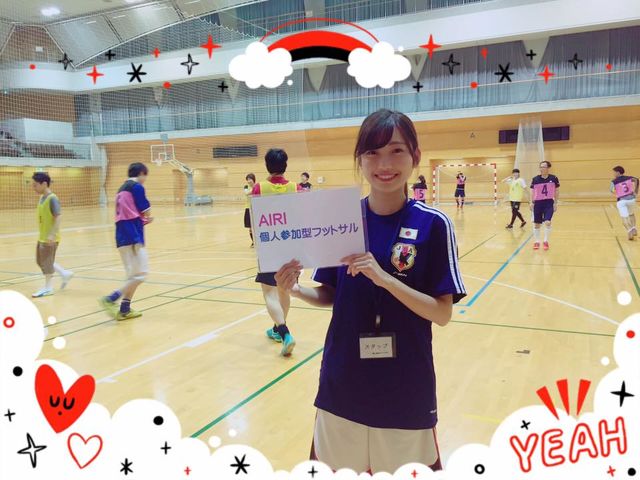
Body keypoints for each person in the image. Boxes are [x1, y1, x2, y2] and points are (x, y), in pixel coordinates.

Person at [275, 109, 466, 473]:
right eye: (373, 153)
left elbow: (442, 313)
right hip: (343, 379)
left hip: (405, 385)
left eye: (396, 151)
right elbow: (330, 293)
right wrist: (295, 289)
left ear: (415, 156)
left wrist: (386, 279)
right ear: (360, 159)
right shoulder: (341, 219)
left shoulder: (434, 224)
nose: (384, 164)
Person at [252, 148, 302, 356]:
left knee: (269, 292)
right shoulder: (296, 188)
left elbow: (255, 219)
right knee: (284, 290)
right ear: (285, 166)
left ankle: (284, 332)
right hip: (291, 246)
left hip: (269, 246)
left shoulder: (259, 188)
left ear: (267, 166)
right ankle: (276, 329)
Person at [99, 162, 153, 321]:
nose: (145, 179)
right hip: (133, 235)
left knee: (132, 276)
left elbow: (128, 214)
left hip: (121, 235)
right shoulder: (137, 187)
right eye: (145, 176)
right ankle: (111, 298)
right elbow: (146, 210)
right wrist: (147, 216)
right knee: (141, 275)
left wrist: (143, 221)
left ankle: (125, 309)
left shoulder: (121, 188)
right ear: (141, 173)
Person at [31, 172, 74, 297]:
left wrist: (52, 234)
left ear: (44, 184)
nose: (33, 188)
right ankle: (64, 273)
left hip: (50, 238)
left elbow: (58, 216)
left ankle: (48, 288)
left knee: (46, 263)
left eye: (35, 185)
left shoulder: (52, 198)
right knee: (40, 261)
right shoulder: (41, 198)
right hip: (42, 236)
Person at [530, 160, 560, 250]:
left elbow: (557, 191)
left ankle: (546, 241)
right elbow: (532, 191)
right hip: (538, 203)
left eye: (543, 167)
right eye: (540, 167)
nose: (541, 168)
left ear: (548, 168)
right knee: (537, 224)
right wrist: (531, 202)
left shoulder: (553, 178)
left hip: (549, 203)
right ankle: (537, 241)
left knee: (548, 222)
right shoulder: (535, 179)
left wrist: (555, 203)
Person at [611, 166, 639, 240]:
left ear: (618, 172)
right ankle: (634, 228)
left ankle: (629, 231)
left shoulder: (614, 181)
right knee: (631, 214)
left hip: (622, 201)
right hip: (631, 200)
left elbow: (611, 190)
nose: (613, 174)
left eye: (614, 172)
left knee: (624, 218)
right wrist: (636, 190)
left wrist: (617, 192)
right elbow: (636, 179)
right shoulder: (629, 178)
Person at [243, 173, 256, 247]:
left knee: (256, 227)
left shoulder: (257, 187)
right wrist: (253, 190)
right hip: (248, 208)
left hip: (255, 208)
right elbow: (246, 193)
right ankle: (253, 242)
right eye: (247, 179)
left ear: (253, 179)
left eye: (250, 179)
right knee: (250, 227)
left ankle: (258, 241)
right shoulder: (246, 187)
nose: (248, 181)